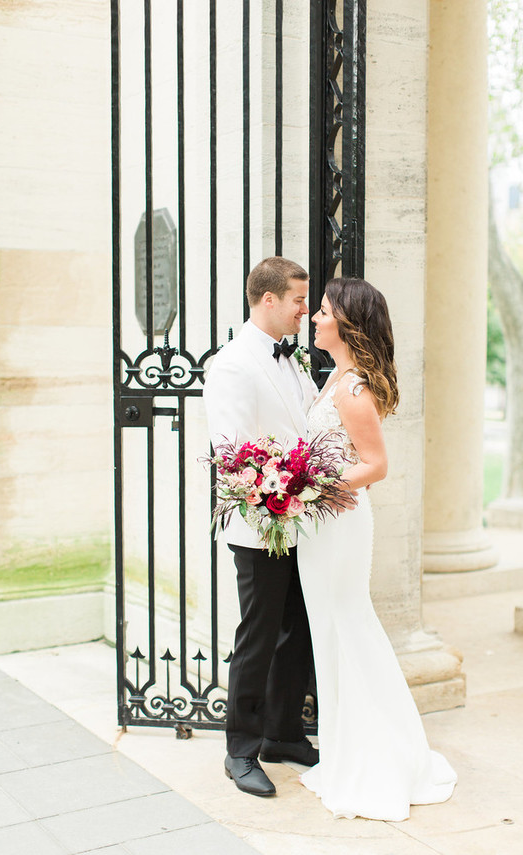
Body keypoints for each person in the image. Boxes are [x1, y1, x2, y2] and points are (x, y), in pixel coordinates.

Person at [297, 277, 457, 821]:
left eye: (323, 311)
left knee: (348, 626)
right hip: (319, 524)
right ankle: (345, 754)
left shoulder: (354, 390)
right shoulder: (335, 378)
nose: (314, 318)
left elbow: (376, 465)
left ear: (345, 323)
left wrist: (310, 486)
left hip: (339, 524)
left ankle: (375, 760)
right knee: (328, 633)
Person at [203, 257, 323, 798]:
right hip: (260, 524)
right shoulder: (232, 364)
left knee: (297, 630)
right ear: (268, 299)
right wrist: (279, 492)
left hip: (303, 522)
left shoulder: (292, 358)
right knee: (258, 637)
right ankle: (240, 751)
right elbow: (231, 452)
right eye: (298, 299)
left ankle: (283, 733)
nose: (305, 309)